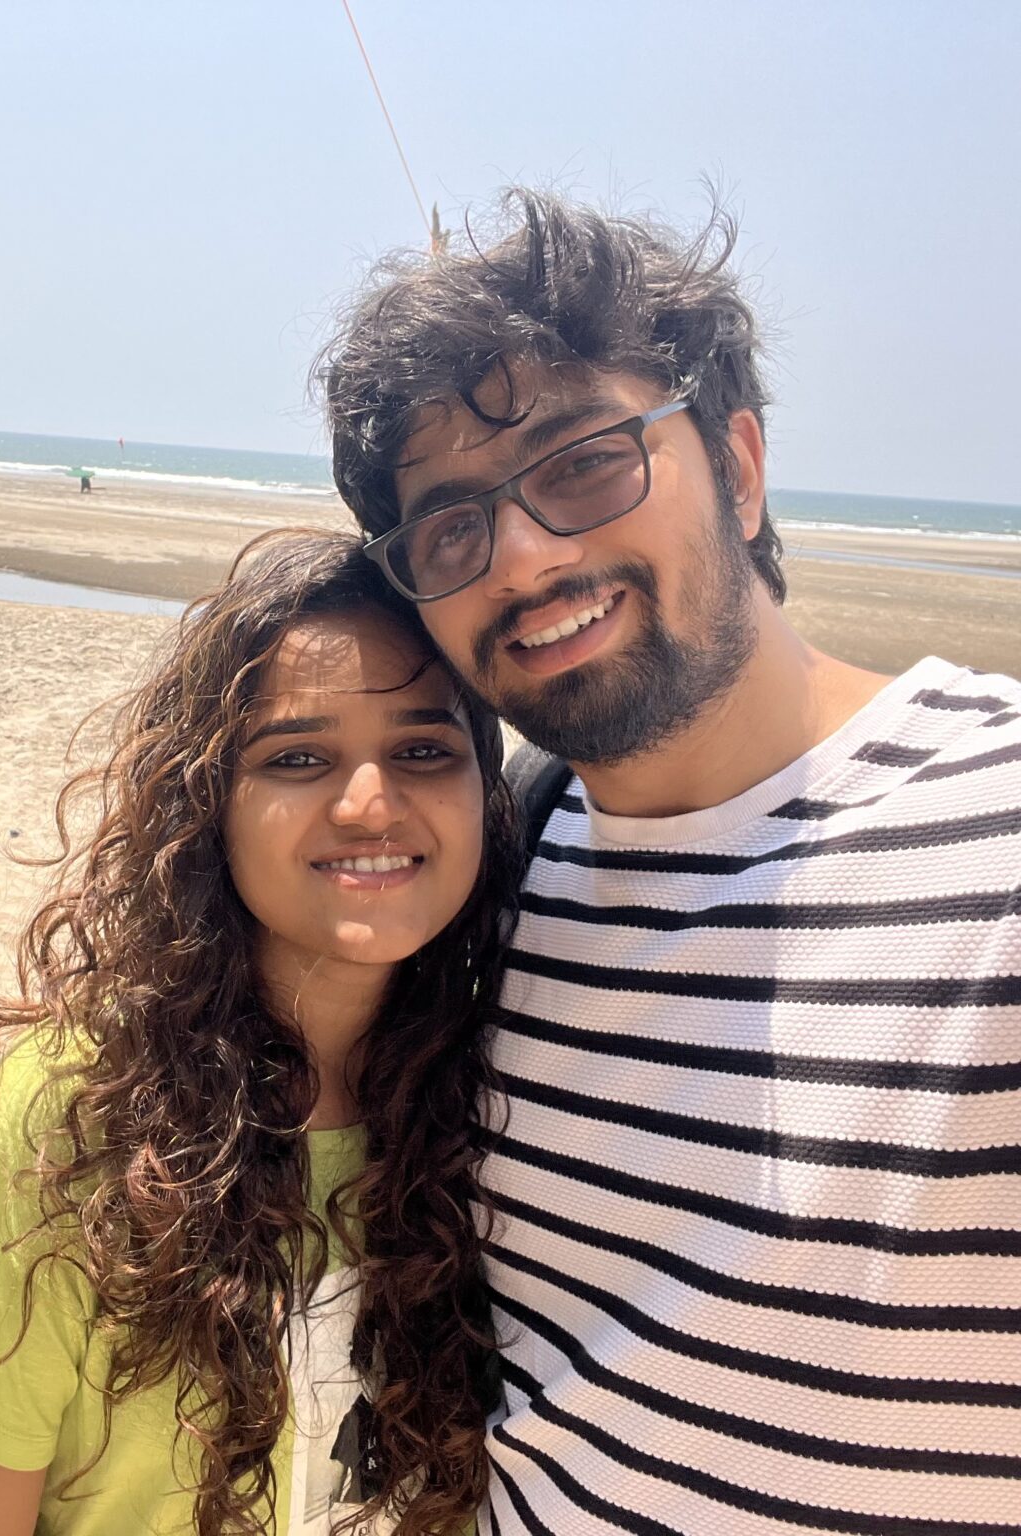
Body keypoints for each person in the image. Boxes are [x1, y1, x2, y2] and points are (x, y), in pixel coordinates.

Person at [319, 189, 1021, 1534]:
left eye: (586, 460)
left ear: (741, 469)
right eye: (452, 526)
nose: (524, 553)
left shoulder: (993, 843)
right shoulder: (494, 875)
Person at [0, 528, 520, 1535]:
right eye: (298, 757)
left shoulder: (493, 1089)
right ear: (208, 805)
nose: (369, 804)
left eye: (423, 750)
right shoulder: (70, 1118)